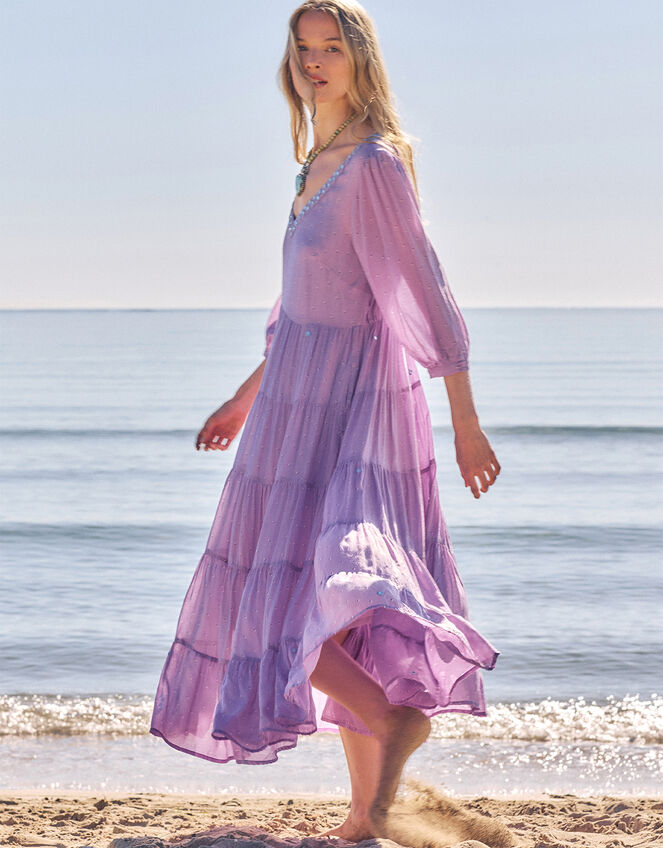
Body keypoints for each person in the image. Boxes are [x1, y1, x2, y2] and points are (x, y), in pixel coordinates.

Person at [150, 1, 501, 841]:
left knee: (289, 599)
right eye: (302, 48)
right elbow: (303, 308)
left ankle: (390, 718)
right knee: (320, 606)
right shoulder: (315, 161)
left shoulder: (374, 162)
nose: (313, 62)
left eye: (330, 48)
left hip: (348, 406)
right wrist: (246, 396)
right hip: (290, 403)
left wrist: (465, 423)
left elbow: (424, 292)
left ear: (359, 58)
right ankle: (366, 813)